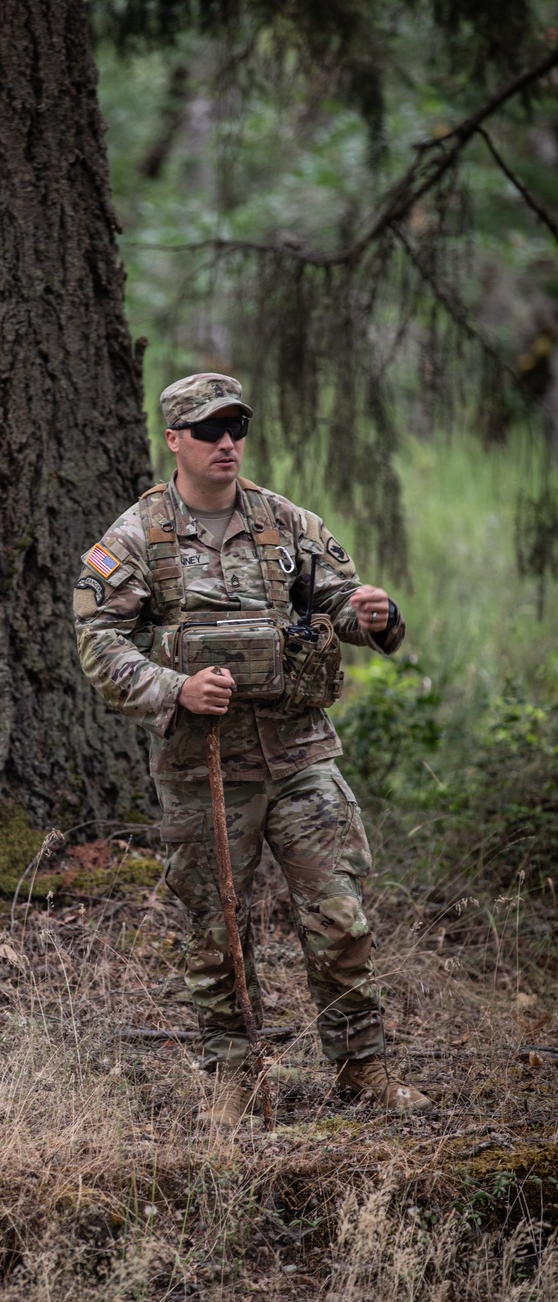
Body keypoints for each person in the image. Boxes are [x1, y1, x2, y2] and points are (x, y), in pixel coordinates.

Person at [74, 372, 430, 1126]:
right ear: (175, 440)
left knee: (340, 916)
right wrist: (174, 689)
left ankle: (363, 1067)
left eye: (235, 428)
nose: (226, 443)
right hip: (205, 767)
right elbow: (99, 643)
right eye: (208, 431)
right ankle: (233, 1076)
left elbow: (345, 605)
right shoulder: (138, 537)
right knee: (215, 928)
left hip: (301, 754)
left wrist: (374, 614)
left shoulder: (286, 523)